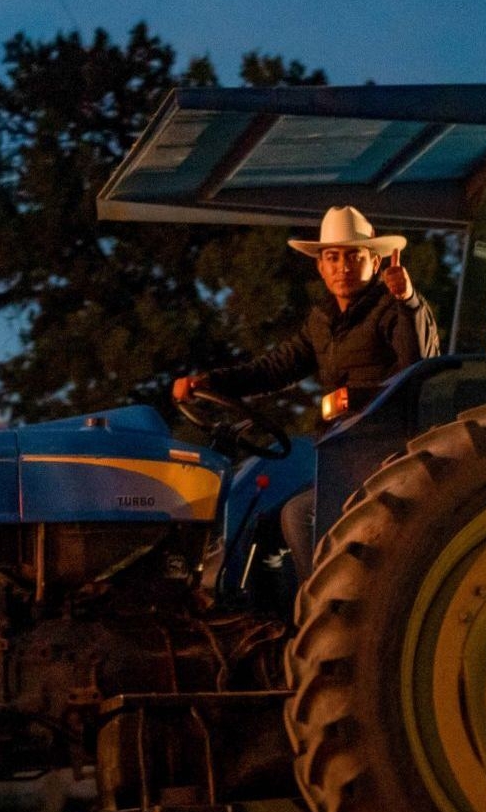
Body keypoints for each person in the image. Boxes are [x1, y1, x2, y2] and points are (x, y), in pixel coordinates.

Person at [171, 205, 439, 580]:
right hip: (338, 453)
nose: (343, 267)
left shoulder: (395, 308)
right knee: (258, 520)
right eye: (333, 257)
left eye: (354, 256)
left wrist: (408, 300)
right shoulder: (322, 321)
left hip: (382, 455)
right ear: (320, 266)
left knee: (300, 516)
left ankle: (318, 607)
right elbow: (275, 369)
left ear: (375, 262)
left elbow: (419, 369)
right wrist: (208, 383)